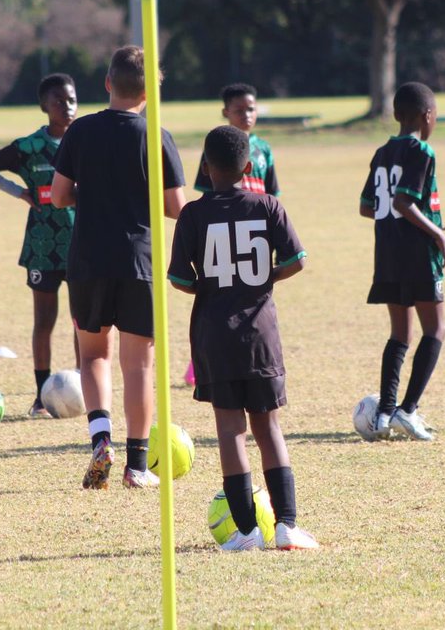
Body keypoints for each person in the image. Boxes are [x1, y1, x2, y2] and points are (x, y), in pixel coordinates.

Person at [168, 125, 318, 551]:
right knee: (268, 427)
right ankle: (287, 526)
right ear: (249, 167)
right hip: (260, 334)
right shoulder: (268, 205)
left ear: (204, 167)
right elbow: (296, 261)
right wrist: (262, 279)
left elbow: (180, 279)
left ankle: (247, 532)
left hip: (214, 335)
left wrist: (215, 288)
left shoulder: (194, 215)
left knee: (230, 431)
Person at [51, 45, 186, 490]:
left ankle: (100, 439)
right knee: (140, 366)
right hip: (139, 262)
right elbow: (175, 207)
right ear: (150, 92)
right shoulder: (156, 135)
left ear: (108, 83)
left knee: (92, 355)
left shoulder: (80, 131)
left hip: (88, 258)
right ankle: (137, 465)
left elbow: (59, 195)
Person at [0, 74, 78, 416]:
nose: (67, 107)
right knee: (44, 321)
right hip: (42, 245)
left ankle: (85, 388)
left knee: (84, 321)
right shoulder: (30, 146)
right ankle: (41, 393)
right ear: (44, 106)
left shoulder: (85, 140)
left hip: (81, 243)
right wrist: (18, 192)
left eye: (71, 100)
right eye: (59, 102)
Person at [359, 82, 445, 442]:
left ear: (396, 115)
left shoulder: (382, 152)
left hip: (388, 254)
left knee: (400, 334)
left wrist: (398, 224)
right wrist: (438, 234)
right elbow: (403, 203)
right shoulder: (422, 151)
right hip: (417, 254)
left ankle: (384, 412)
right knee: (435, 330)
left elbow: (369, 206)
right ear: (428, 116)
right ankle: (408, 411)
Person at [186, 82, 280, 386]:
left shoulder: (264, 149)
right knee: (219, 303)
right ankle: (198, 360)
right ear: (226, 112)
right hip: (224, 234)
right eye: (239, 110)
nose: (246, 114)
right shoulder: (216, 148)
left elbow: (273, 194)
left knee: (254, 302)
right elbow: (204, 195)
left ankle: (254, 353)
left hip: (255, 234)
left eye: (251, 109)